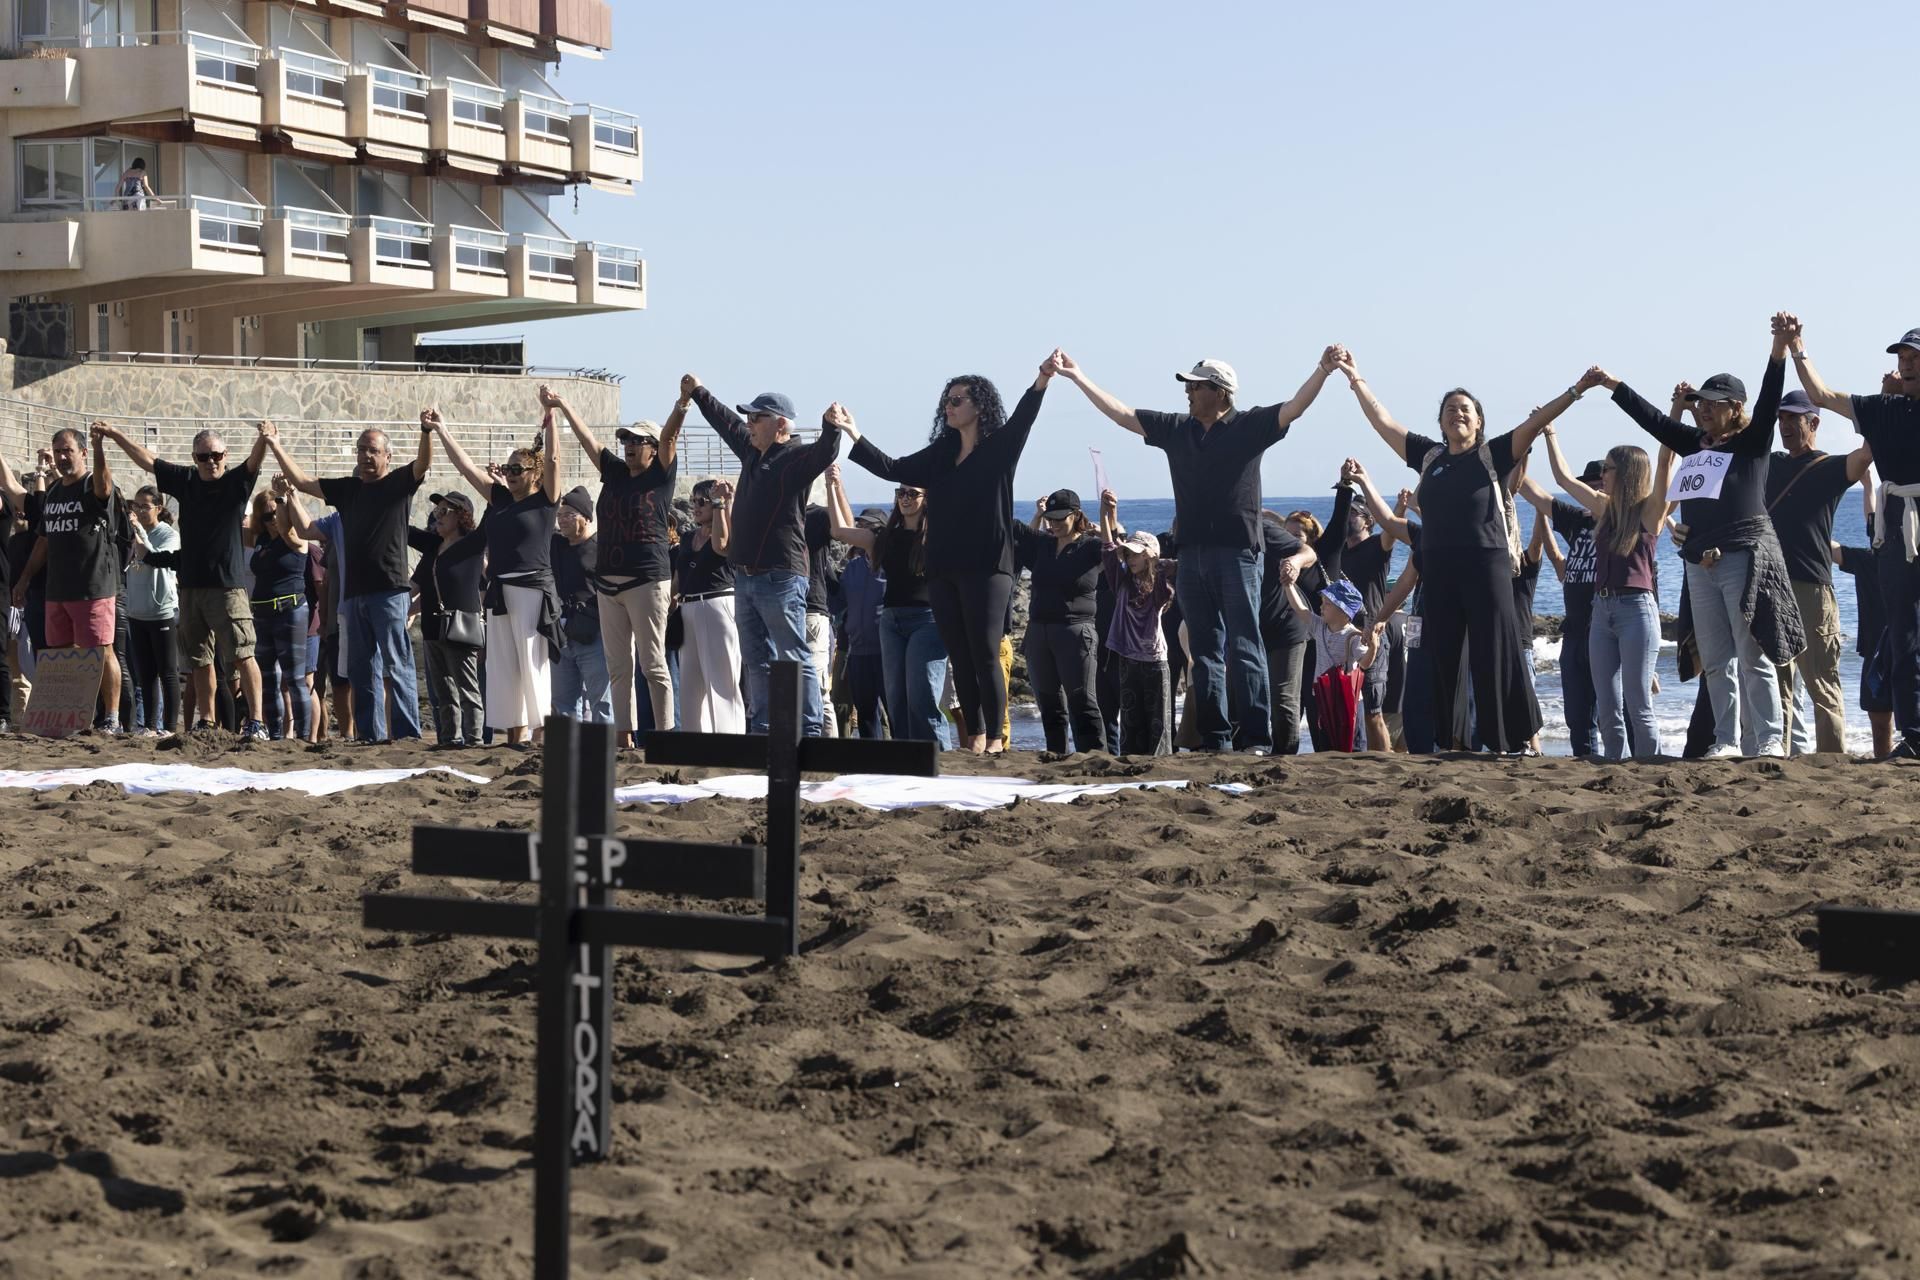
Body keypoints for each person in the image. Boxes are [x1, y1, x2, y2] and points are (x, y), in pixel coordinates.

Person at [1054, 349, 1338, 754]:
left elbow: (1294, 408)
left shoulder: (1249, 425)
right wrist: (1078, 376)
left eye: (1195, 386)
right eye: (1187, 386)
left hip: (1239, 554)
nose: (1187, 392)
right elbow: (1122, 414)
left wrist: (1323, 369)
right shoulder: (1177, 429)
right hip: (1191, 556)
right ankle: (1215, 738)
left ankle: (1255, 739)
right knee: (1204, 653)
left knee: (1245, 645)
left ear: (1220, 392)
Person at [1335, 348, 1580, 753]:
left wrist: (1575, 391)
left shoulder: (1491, 454)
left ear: (1479, 421)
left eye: (1466, 409)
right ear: (1441, 422)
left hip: (1486, 567)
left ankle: (1510, 740)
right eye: (1450, 409)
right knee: (1441, 657)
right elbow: (1382, 421)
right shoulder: (1430, 456)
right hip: (1439, 571)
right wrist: (1354, 377)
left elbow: (1534, 424)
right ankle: (1447, 739)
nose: (1458, 413)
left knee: (1495, 653)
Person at [1591, 316, 1799, 758]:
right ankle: (1726, 740)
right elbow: (1653, 421)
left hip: (1742, 556)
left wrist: (1779, 350)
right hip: (1699, 562)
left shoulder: (1751, 443)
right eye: (1701, 402)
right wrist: (1613, 385)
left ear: (1735, 408)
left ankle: (1768, 739)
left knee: (1752, 653)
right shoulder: (1695, 445)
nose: (1704, 409)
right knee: (1716, 659)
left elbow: (1767, 402)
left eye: (1714, 404)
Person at [838, 355, 1055, 753]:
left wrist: (1041, 379)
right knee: (960, 654)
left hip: (988, 565)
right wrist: (854, 433)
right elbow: (892, 467)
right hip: (942, 568)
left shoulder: (999, 449)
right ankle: (975, 737)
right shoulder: (940, 454)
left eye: (957, 400)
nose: (948, 407)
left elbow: (1025, 418)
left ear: (979, 406)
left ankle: (995, 738)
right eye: (947, 401)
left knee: (985, 653)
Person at [1784, 317, 1920, 757]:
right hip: (1897, 525)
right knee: (1902, 634)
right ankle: (1914, 736)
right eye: (1903, 357)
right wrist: (1797, 346)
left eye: (1915, 358)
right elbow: (1821, 394)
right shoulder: (1881, 409)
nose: (1907, 364)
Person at [684, 376, 842, 735]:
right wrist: (699, 393)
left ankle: (810, 729)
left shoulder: (795, 458)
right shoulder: (753, 452)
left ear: (780, 424)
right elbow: (726, 422)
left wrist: (831, 427)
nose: (749, 424)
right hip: (745, 576)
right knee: (756, 660)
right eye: (750, 418)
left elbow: (825, 452)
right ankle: (764, 729)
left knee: (792, 655)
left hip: (781, 576)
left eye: (757, 418)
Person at [98, 420, 270, 738]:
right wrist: (116, 434)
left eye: (216, 455)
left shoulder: (236, 483)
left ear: (225, 455)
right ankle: (206, 720)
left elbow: (254, 461)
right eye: (203, 457)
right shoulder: (187, 480)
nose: (210, 461)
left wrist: (265, 438)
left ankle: (257, 721)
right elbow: (147, 460)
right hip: (190, 588)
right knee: (200, 659)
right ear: (194, 458)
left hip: (227, 587)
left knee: (243, 653)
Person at [270, 418, 431, 743]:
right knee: (361, 669)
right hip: (354, 594)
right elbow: (302, 483)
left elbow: (423, 463)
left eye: (373, 450)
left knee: (397, 664)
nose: (366, 455)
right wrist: (274, 444)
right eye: (361, 449)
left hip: (390, 590)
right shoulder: (348, 490)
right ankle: (370, 735)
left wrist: (426, 432)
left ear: (387, 456)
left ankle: (406, 736)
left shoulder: (398, 484)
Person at [545, 383, 680, 744]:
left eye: (638, 441)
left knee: (653, 665)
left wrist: (682, 403)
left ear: (653, 447)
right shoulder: (616, 473)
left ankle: (665, 737)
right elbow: (589, 441)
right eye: (626, 440)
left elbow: (670, 437)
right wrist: (563, 405)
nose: (629, 445)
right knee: (619, 667)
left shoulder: (660, 475)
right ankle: (624, 738)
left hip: (647, 581)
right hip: (608, 584)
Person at [1541, 429, 1675, 760]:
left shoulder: (1650, 512)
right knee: (1607, 706)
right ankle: (1614, 768)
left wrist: (1675, 414)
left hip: (1636, 610)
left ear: (1627, 473)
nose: (1602, 475)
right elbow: (1563, 478)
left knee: (1638, 703)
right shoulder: (1604, 509)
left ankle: (1650, 768)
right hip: (1601, 610)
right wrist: (1550, 434)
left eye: (1608, 468)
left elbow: (1664, 462)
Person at [433, 408, 561, 747]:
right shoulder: (501, 499)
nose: (510, 473)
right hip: (500, 590)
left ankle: (541, 735)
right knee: (503, 667)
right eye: (508, 468)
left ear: (534, 474)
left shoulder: (545, 500)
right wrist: (442, 429)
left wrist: (552, 419)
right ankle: (513, 736)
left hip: (532, 588)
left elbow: (553, 459)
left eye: (517, 469)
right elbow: (466, 468)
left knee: (532, 663)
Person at [1765, 388, 1871, 755]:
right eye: (1781, 418)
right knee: (1775, 684)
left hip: (1812, 587)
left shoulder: (1828, 467)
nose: (1785, 425)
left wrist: (1882, 406)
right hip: (1771, 585)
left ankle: (1832, 760)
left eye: (1793, 418)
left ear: (1814, 423)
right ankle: (1777, 757)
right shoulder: (1772, 463)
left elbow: (1866, 455)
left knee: (1822, 683)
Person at [825, 464, 947, 745]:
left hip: (926, 620)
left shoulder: (937, 536)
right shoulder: (884, 539)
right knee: (896, 699)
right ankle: (904, 757)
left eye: (912, 493)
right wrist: (832, 485)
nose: (905, 498)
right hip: (891, 622)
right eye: (900, 493)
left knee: (922, 696)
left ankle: (941, 757)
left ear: (926, 499)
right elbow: (839, 531)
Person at [12, 425, 124, 732]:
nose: (62, 457)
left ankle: (112, 718)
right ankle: (72, 717)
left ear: (83, 453)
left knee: (101, 650)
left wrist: (100, 448)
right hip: (57, 589)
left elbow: (104, 485)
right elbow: (43, 541)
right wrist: (24, 579)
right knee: (61, 654)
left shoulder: (92, 484)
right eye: (58, 451)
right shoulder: (53, 493)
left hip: (93, 586)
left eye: (68, 451)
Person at [1518, 461, 1606, 757]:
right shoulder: (1577, 520)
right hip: (1574, 633)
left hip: (1605, 631)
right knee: (1577, 715)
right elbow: (1532, 492)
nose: (1594, 492)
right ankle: (1586, 762)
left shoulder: (1622, 522)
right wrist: (1517, 454)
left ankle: (1629, 762)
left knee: (1613, 711)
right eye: (1589, 487)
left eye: (1600, 486)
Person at [1013, 489, 1106, 754]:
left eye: (1059, 519)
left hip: (1075, 631)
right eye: (1050, 519)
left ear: (1076, 515)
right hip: (1039, 631)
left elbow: (1115, 555)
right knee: (1049, 703)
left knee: (1082, 702)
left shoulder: (1091, 546)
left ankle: (1094, 758)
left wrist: (1107, 520)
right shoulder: (1044, 544)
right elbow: (1020, 536)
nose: (1053, 524)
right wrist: (1037, 515)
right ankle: (1056, 756)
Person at [1097, 488, 1177, 756]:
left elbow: (1165, 584)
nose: (1130, 559)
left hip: (1154, 660)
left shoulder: (1161, 588)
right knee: (1131, 720)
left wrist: (1159, 562)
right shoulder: (1121, 583)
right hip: (1127, 658)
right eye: (1128, 555)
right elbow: (1109, 550)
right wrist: (1107, 513)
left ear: (1149, 556)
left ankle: (1159, 764)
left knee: (1158, 722)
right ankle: (1130, 761)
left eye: (1135, 554)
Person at [407, 490, 485, 747]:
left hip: (461, 627)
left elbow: (494, 514)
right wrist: (402, 610)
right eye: (436, 511)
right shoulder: (433, 548)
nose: (437, 516)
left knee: (467, 689)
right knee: (443, 691)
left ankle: (474, 740)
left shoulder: (472, 545)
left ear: (461, 516)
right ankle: (450, 739)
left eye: (444, 511)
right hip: (432, 627)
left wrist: (494, 485)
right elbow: (415, 585)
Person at [244, 480, 311, 741]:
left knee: (294, 679)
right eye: (267, 516)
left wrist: (285, 497)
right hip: (262, 614)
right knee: (268, 678)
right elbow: (234, 528)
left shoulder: (295, 538)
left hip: (289, 611)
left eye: (276, 513)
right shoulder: (261, 539)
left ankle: (303, 737)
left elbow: (287, 530)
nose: (273, 519)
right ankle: (275, 734)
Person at [1284, 576, 1384, 752]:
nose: (1321, 607)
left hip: (1349, 699)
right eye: (1323, 602)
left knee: (1354, 743)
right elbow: (1300, 609)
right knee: (1327, 741)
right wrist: (1288, 585)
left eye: (1328, 604)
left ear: (1344, 613)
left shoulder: (1353, 636)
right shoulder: (1320, 626)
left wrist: (1373, 648)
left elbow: (1365, 664)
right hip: (1324, 696)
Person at [675, 479, 743, 733]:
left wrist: (722, 504)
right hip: (687, 607)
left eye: (702, 501)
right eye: (693, 501)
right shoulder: (687, 537)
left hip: (717, 602)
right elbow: (679, 577)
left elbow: (723, 545)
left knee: (722, 680)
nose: (696, 506)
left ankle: (729, 740)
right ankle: (694, 740)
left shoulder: (727, 529)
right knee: (689, 684)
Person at [1833, 479, 1891, 758]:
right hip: (1875, 650)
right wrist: (1868, 484)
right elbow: (1829, 548)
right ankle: (1883, 762)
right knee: (1879, 722)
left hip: (1907, 650)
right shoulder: (1868, 560)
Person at [552, 485, 613, 726]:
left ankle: (602, 747)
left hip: (594, 634)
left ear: (586, 518)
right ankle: (564, 748)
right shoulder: (556, 545)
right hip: (561, 634)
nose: (562, 520)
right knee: (561, 703)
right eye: (560, 515)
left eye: (569, 514)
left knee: (601, 701)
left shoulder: (603, 548)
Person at [123, 485, 178, 736]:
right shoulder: (133, 533)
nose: (140, 511)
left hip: (161, 611)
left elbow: (153, 557)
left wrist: (138, 529)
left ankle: (170, 727)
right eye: (136, 505)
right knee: (145, 673)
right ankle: (149, 725)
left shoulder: (168, 534)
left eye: (145, 506)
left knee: (167, 672)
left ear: (158, 507)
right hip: (137, 611)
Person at [836, 506, 889, 738]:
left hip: (887, 652)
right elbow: (839, 603)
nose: (859, 530)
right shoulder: (852, 567)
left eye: (866, 526)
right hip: (857, 652)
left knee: (895, 712)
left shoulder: (893, 565)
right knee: (866, 715)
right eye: (859, 525)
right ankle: (871, 759)